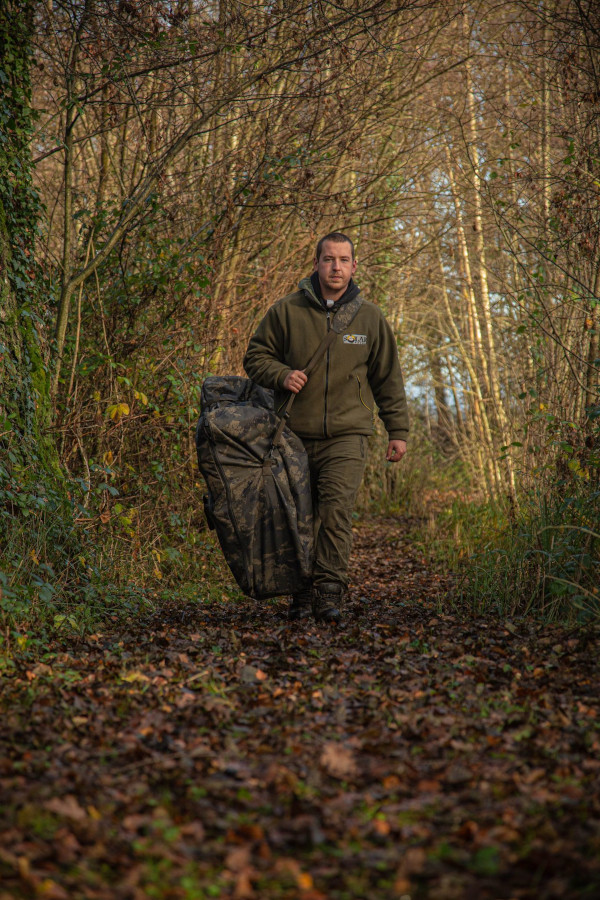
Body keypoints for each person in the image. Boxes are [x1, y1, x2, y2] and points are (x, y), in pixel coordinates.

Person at [243, 232, 409, 623]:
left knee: (335, 513)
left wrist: (397, 431)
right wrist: (282, 375)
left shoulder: (369, 318)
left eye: (343, 260)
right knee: (297, 516)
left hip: (347, 435)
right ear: (316, 263)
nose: (336, 267)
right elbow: (255, 357)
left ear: (355, 266)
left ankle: (329, 593)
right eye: (329, 259)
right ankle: (300, 592)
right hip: (292, 434)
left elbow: (388, 378)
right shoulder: (286, 311)